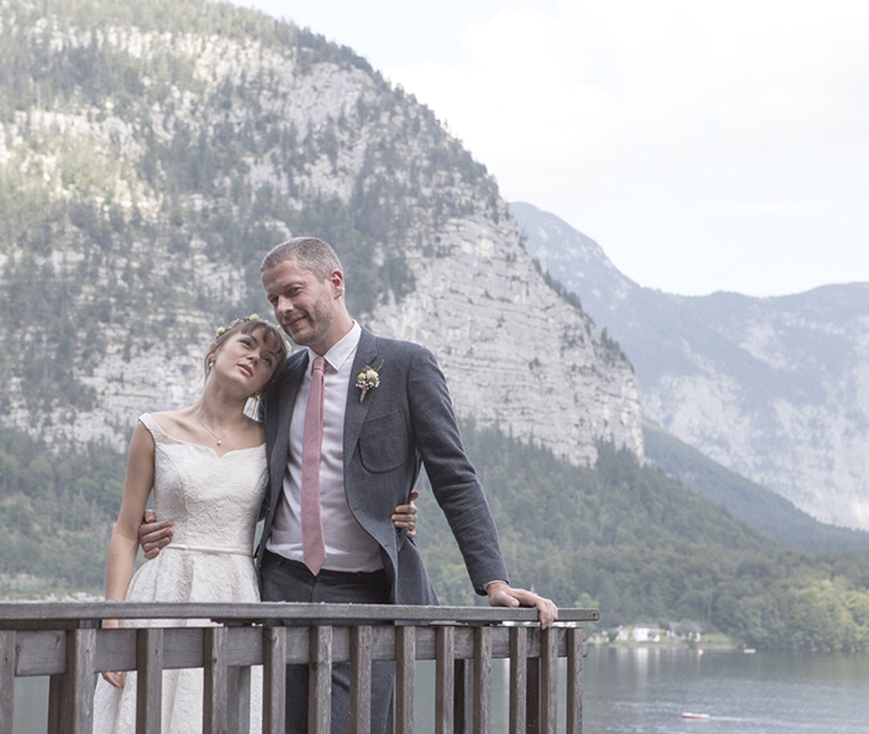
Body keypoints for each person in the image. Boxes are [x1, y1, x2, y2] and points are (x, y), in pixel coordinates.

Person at [141, 237, 558, 734]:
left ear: (335, 283)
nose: (283, 308)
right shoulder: (280, 379)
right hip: (276, 592)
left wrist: (494, 581)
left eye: (293, 291)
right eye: (273, 298)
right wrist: (174, 519)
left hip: (369, 598)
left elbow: (455, 475)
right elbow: (246, 471)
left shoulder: (406, 366)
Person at [94, 315, 419, 734]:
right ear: (215, 351)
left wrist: (394, 511)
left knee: (221, 716)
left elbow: (321, 490)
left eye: (267, 359)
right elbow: (125, 530)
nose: (254, 358)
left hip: (238, 594)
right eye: (247, 344)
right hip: (164, 586)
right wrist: (112, 620)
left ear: (267, 383)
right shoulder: (155, 429)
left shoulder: (274, 439)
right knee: (145, 714)